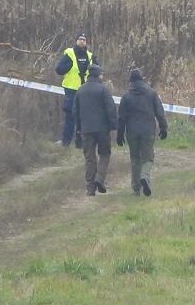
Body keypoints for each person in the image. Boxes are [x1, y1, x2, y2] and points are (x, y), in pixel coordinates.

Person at [116, 69, 168, 197]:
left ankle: (136, 189)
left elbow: (121, 118)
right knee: (148, 158)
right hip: (148, 131)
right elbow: (160, 113)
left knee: (134, 159)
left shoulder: (126, 97)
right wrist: (163, 128)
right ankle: (144, 176)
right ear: (142, 79)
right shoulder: (152, 94)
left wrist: (119, 134)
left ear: (131, 82)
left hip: (132, 132)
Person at [73, 64, 117, 196]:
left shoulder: (80, 90)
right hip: (102, 129)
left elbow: (75, 111)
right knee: (104, 154)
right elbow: (111, 108)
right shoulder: (103, 90)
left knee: (89, 158)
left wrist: (79, 127)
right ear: (98, 75)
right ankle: (100, 179)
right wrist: (113, 125)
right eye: (102, 74)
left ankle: (90, 188)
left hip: (86, 129)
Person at [55, 33, 95, 147]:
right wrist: (69, 66)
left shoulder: (90, 56)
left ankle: (80, 143)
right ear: (76, 41)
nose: (82, 41)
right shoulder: (69, 54)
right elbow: (59, 70)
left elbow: (98, 72)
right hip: (71, 91)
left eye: (84, 39)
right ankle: (66, 142)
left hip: (86, 91)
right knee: (70, 116)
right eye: (80, 39)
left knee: (83, 117)